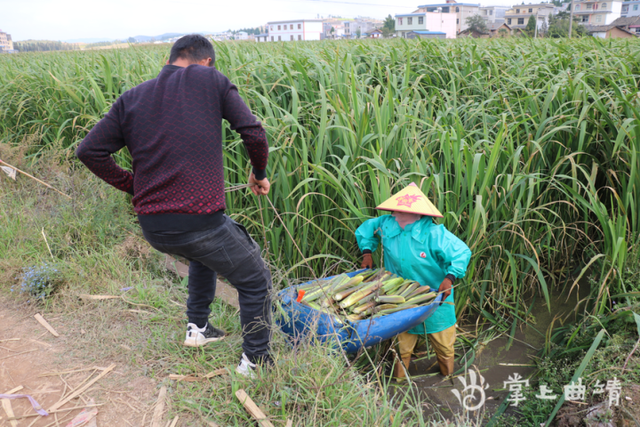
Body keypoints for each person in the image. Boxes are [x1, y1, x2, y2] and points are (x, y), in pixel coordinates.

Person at [76, 34, 272, 377]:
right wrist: (258, 173)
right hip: (198, 222)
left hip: (153, 226)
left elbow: (88, 151)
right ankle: (255, 363)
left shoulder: (132, 97)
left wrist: (135, 187)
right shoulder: (209, 79)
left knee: (202, 254)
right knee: (255, 278)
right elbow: (253, 133)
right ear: (206, 61)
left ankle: (197, 330)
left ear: (171, 58)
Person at [355, 183, 471, 379]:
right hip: (400, 298)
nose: (397, 215)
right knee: (401, 347)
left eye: (403, 212)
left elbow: (461, 252)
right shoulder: (386, 224)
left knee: (444, 344)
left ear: (419, 214)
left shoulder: (434, 234)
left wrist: (450, 278)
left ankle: (448, 376)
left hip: (436, 296)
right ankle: (399, 383)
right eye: (396, 211)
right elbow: (366, 230)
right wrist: (367, 252)